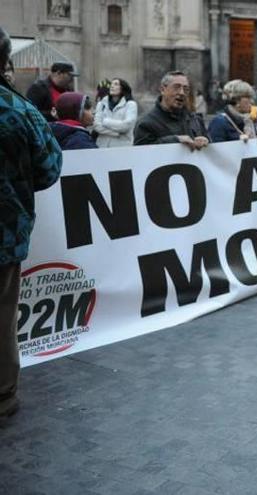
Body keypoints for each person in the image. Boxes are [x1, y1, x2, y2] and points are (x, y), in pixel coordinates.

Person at [0, 25, 63, 421]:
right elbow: (49, 168)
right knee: (3, 318)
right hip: (5, 235)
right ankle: (3, 394)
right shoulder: (19, 110)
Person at [133, 70, 209, 150]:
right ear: (162, 90)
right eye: (176, 87)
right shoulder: (145, 123)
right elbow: (141, 154)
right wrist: (175, 140)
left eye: (186, 89)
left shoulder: (195, 120)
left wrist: (206, 141)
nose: (182, 93)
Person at [93, 78, 138, 147]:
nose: (112, 86)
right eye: (111, 84)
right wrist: (116, 133)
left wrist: (106, 122)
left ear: (123, 88)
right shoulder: (101, 104)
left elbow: (126, 126)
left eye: (116, 84)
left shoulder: (130, 104)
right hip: (102, 147)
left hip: (122, 148)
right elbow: (97, 126)